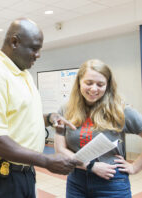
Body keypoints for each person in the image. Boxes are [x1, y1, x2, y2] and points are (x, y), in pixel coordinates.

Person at [0, 18, 80, 198]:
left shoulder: (23, 73)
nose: (38, 55)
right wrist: (47, 161)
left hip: (23, 171)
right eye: (35, 48)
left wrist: (50, 117)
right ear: (14, 42)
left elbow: (21, 117)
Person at [54, 59, 142, 198]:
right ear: (79, 82)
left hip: (112, 182)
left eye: (100, 84)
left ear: (107, 86)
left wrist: (134, 167)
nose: (94, 89)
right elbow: (60, 149)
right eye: (88, 83)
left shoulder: (120, 109)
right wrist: (91, 166)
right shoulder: (66, 109)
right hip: (77, 180)